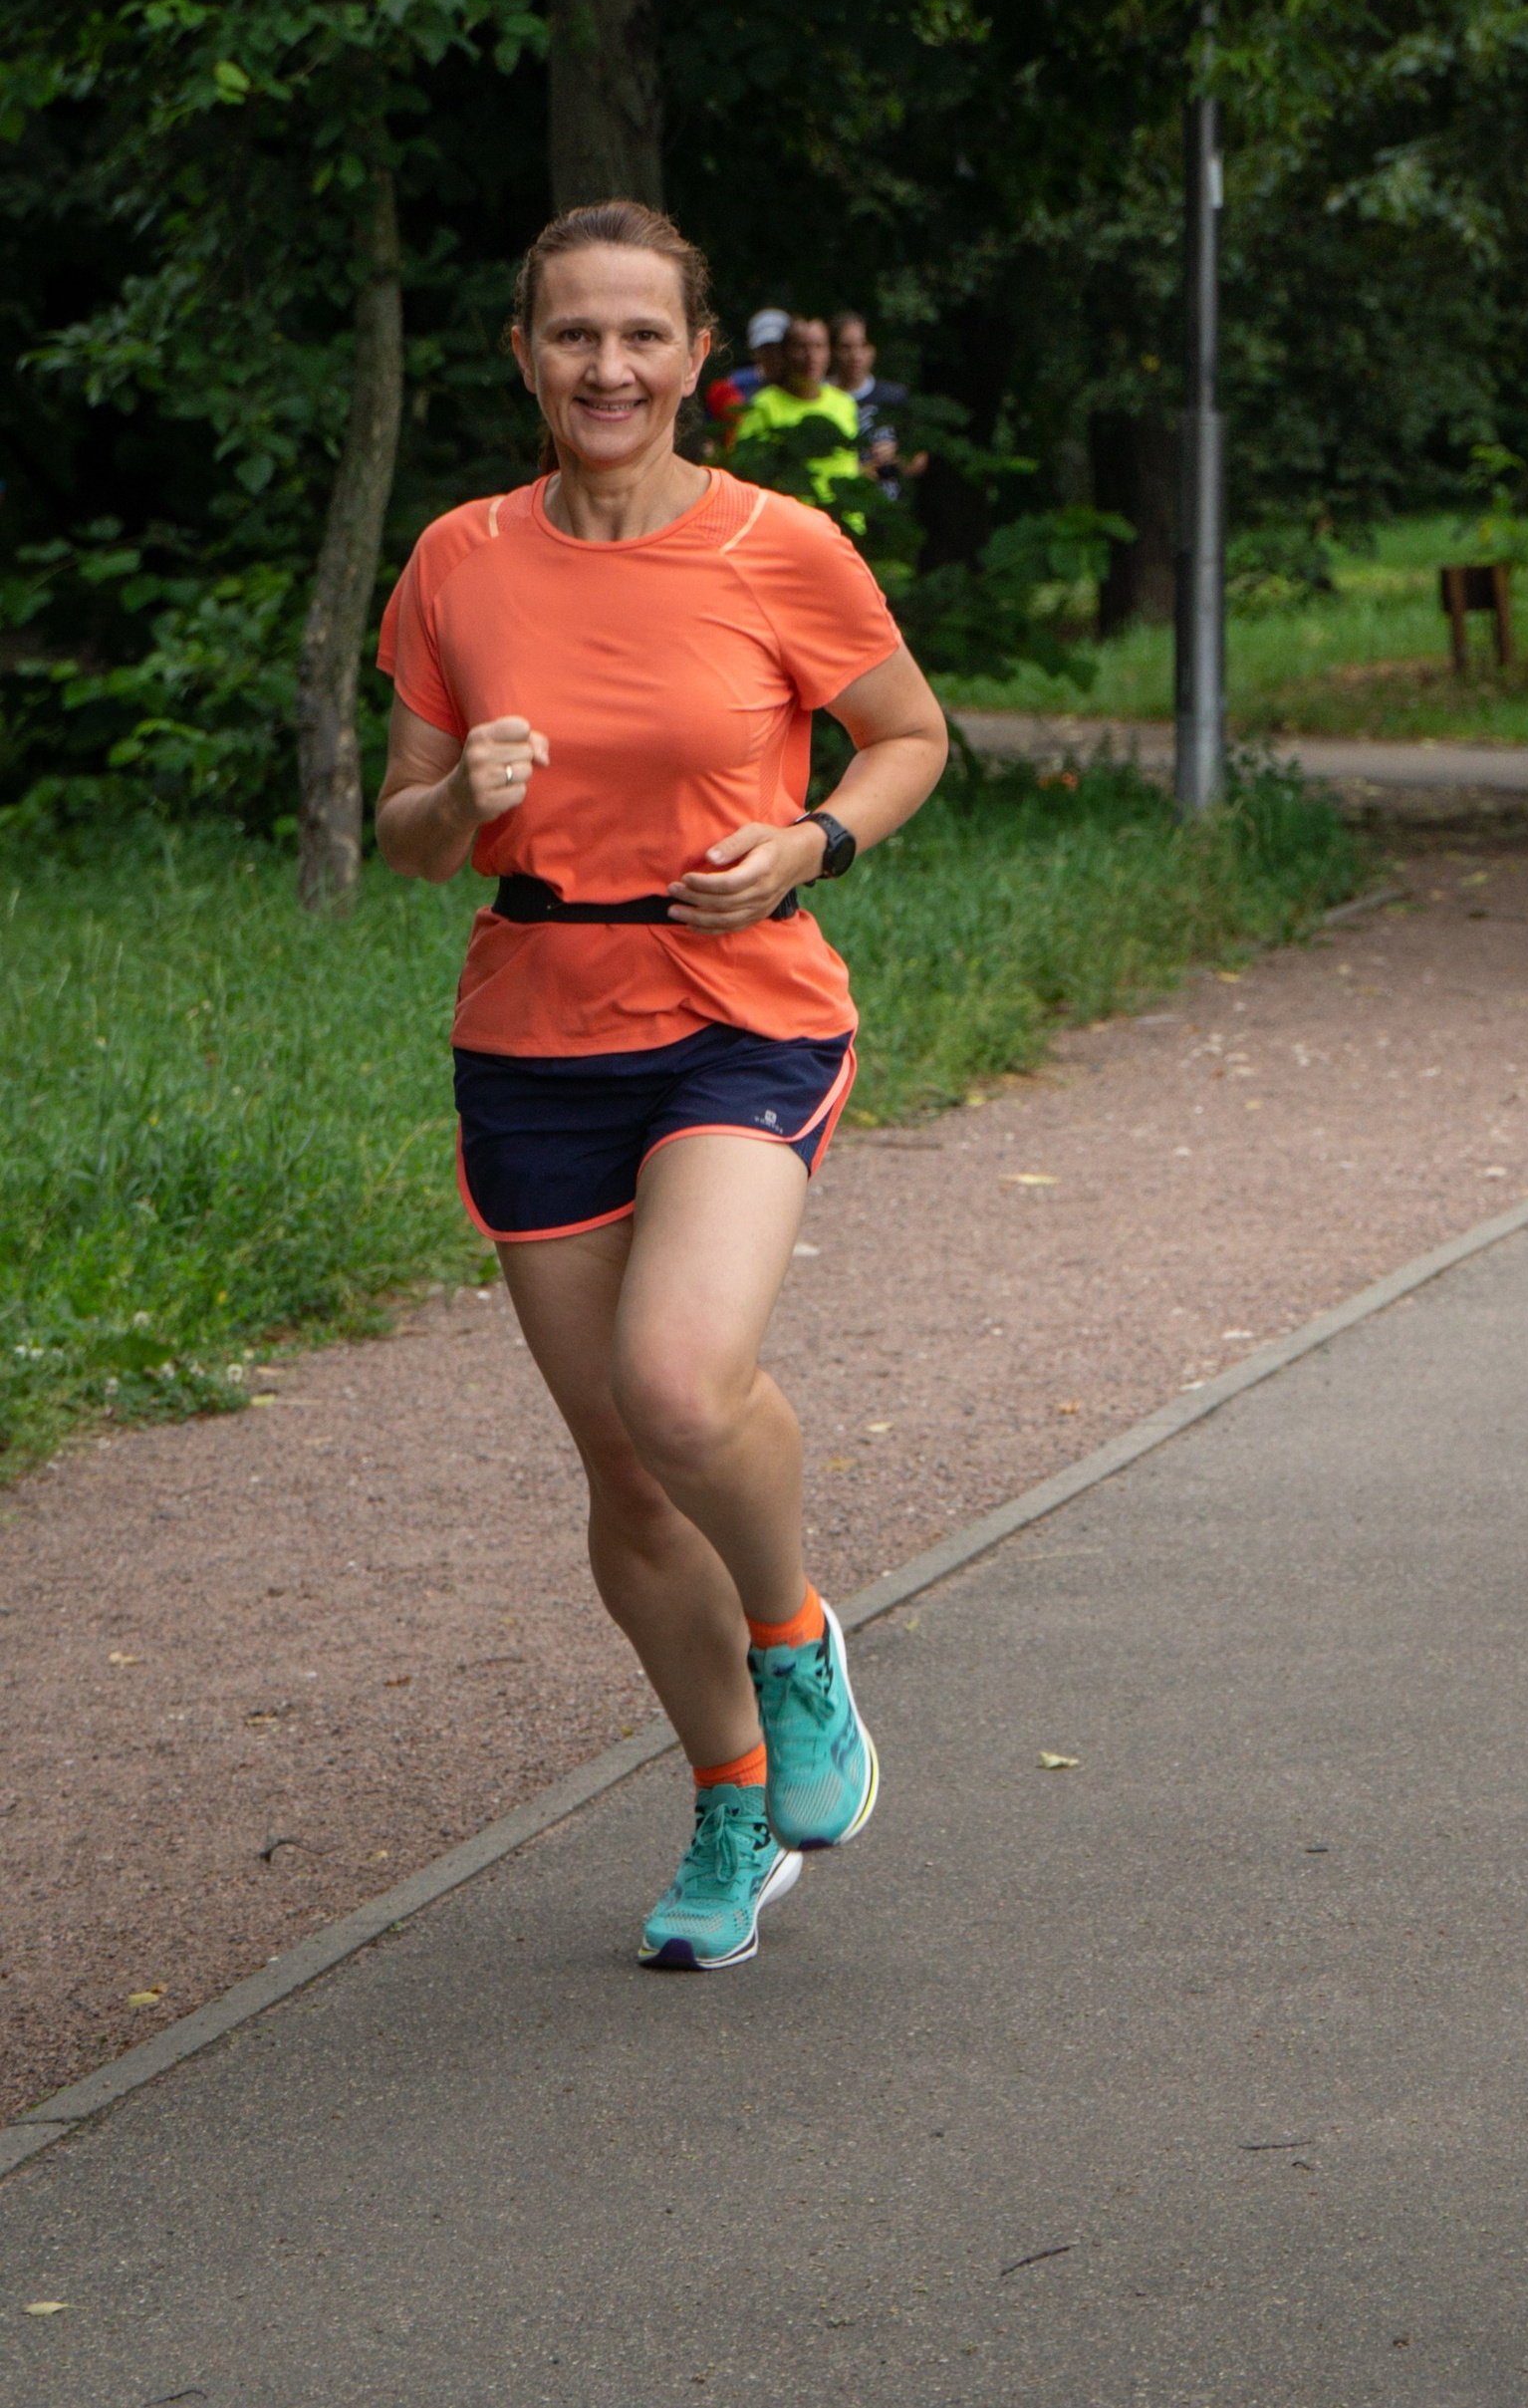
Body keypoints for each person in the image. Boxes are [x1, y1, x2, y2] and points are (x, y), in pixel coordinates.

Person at [376, 202, 948, 1968]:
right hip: (535, 1026)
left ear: (698, 356)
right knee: (624, 1476)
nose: (608, 368)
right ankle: (725, 1795)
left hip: (737, 1002)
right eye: (572, 336)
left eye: (641, 336)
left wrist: (813, 840)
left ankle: (797, 1644)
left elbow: (912, 735)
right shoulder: (457, 561)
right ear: (524, 357)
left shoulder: (784, 545)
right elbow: (398, 841)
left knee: (681, 1384)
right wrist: (458, 797)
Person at [735, 315, 869, 514]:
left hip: (844, 524)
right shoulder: (763, 406)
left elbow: (852, 464)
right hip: (791, 524)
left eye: (818, 347)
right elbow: (746, 472)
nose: (811, 356)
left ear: (829, 352)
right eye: (801, 347)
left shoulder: (845, 403)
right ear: (785, 353)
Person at [830, 310, 928, 497]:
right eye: (846, 347)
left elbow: (919, 462)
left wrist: (896, 455)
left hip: (885, 506)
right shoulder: (819, 396)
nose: (855, 356)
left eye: (863, 345)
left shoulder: (895, 397)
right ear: (833, 351)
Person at [704, 305, 791, 439]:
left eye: (779, 348)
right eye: (766, 349)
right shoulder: (731, 389)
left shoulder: (811, 390)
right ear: (754, 352)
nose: (774, 356)